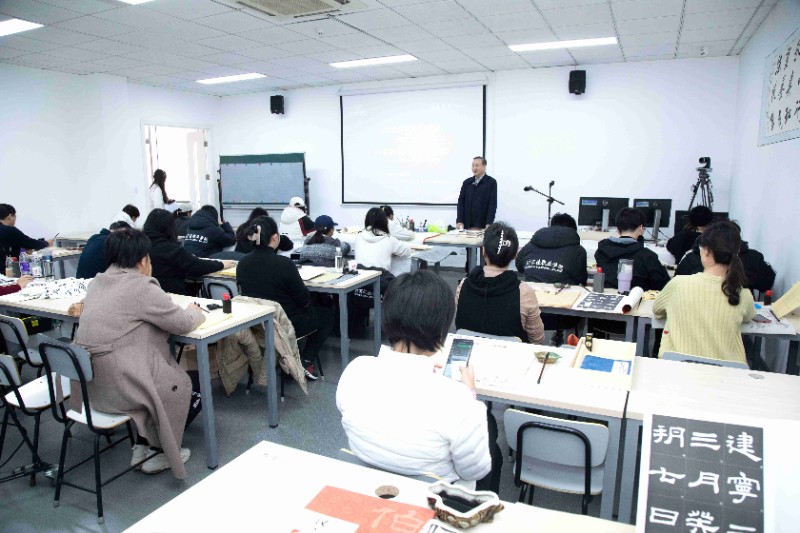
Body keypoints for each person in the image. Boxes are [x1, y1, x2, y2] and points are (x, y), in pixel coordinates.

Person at [337, 270, 499, 491]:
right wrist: (469, 394)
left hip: (367, 490)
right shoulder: (458, 400)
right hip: (435, 501)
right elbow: (475, 472)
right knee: (491, 436)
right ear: (442, 328)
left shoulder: (356, 372)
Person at [74, 229, 205, 478]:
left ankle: (142, 446)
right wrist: (195, 311)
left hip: (94, 387)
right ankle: (161, 451)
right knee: (189, 384)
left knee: (155, 371)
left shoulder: (97, 282)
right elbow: (183, 323)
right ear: (143, 260)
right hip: (123, 389)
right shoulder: (142, 287)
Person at [237, 216, 334, 380]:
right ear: (275, 237)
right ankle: (305, 360)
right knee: (327, 314)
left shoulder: (242, 263)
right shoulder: (284, 264)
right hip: (286, 324)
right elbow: (304, 300)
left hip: (257, 325)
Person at [653, 221, 756, 364]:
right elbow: (749, 316)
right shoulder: (742, 293)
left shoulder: (678, 284)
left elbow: (657, 311)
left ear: (706, 251)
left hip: (678, 369)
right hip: (729, 373)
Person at [456, 223, 545, 344]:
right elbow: (537, 340)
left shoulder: (463, 285)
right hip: (510, 355)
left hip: (469, 354)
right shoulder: (524, 292)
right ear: (515, 255)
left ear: (483, 251)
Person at [143, 209, 234, 296]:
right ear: (169, 227)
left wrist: (187, 257)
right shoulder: (169, 248)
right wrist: (221, 264)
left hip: (147, 293)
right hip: (171, 295)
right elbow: (197, 265)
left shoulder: (141, 245)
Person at [595, 208, 670, 291]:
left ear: (618, 229)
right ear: (641, 228)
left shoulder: (601, 252)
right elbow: (664, 286)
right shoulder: (648, 256)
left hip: (608, 297)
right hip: (638, 298)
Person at [515, 213, 588, 286]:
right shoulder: (578, 251)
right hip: (563, 291)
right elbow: (581, 279)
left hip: (532, 291)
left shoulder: (531, 245)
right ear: (573, 230)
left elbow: (519, 266)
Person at [354, 207, 411, 273]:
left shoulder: (359, 237)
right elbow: (407, 251)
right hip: (381, 277)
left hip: (359, 276)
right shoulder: (388, 239)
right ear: (384, 222)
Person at [456, 156, 497, 230]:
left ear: (484, 166)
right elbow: (461, 202)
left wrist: (489, 223)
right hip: (467, 223)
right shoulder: (467, 182)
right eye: (473, 166)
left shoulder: (491, 182)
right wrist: (459, 220)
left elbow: (492, 204)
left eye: (477, 165)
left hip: (483, 223)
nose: (474, 168)